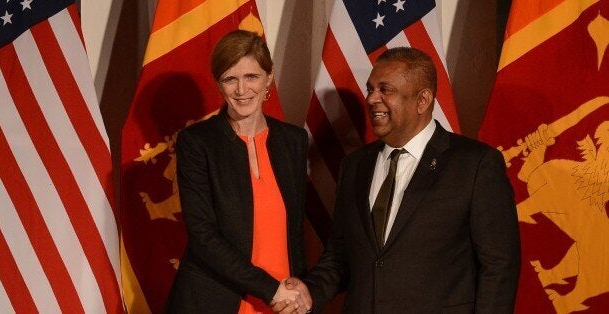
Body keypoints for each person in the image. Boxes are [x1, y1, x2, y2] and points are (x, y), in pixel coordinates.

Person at [277, 47, 521, 313]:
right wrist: (308, 293)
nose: (371, 99)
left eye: (386, 90)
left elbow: (499, 267)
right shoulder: (355, 166)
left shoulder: (474, 164)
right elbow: (340, 256)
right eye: (370, 89)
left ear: (423, 100)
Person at [166, 30, 311, 313]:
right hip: (216, 299)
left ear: (268, 78)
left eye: (251, 77)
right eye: (230, 79)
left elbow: (294, 231)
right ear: (219, 84)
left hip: (283, 302)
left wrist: (296, 293)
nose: (242, 90)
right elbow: (203, 236)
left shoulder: (293, 140)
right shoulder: (197, 142)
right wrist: (271, 289)